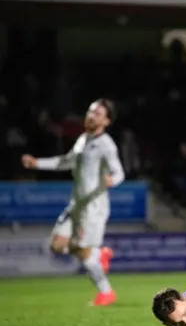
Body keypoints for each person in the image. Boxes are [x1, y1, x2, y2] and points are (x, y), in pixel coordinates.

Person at [22, 98, 124, 306]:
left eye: (97, 113)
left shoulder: (106, 145)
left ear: (107, 121)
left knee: (83, 251)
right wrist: (37, 163)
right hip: (76, 204)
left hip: (93, 208)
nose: (91, 115)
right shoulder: (83, 139)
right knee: (57, 246)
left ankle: (106, 293)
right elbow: (65, 161)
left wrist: (111, 180)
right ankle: (99, 253)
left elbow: (119, 172)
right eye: (90, 111)